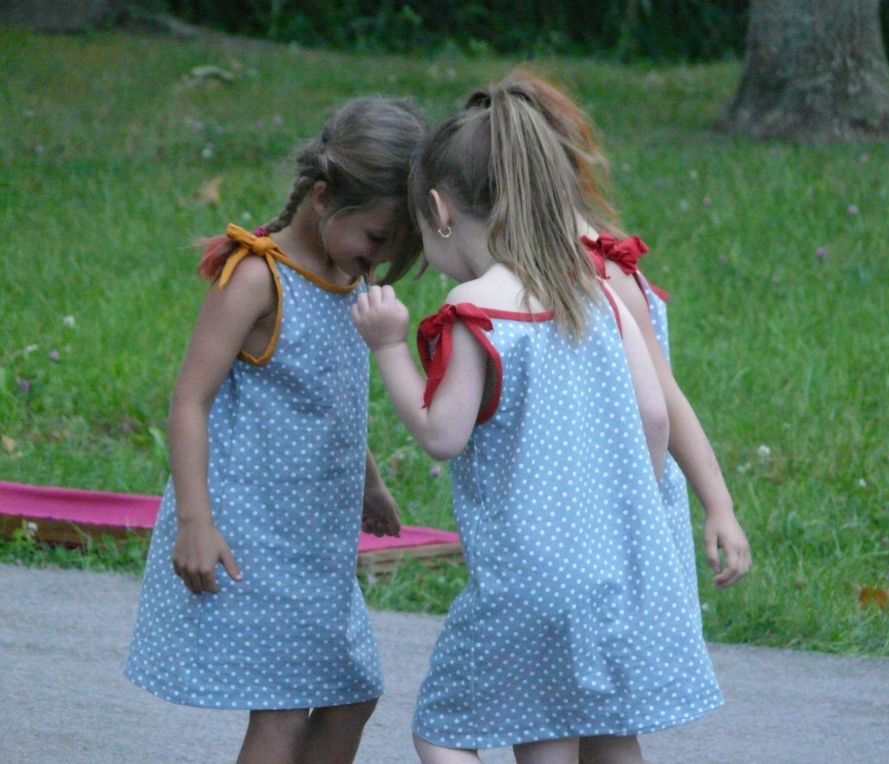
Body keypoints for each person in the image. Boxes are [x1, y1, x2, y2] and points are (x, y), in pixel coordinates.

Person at [352, 84, 723, 764]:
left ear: (438, 210)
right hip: (605, 574)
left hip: (523, 582)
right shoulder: (595, 295)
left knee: (442, 731)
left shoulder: (475, 310)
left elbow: (441, 434)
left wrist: (388, 347)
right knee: (564, 726)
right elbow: (652, 415)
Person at [124, 97, 427, 764]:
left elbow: (329, 396)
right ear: (324, 197)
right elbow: (189, 401)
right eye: (377, 239)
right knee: (286, 709)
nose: (379, 260)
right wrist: (195, 523)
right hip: (253, 530)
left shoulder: (347, 281)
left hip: (314, 537)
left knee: (351, 691)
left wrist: (370, 481)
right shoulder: (259, 279)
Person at [472, 70, 752, 602]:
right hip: (593, 508)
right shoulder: (550, 271)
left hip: (624, 507)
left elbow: (661, 406)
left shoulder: (600, 274)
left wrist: (718, 506)